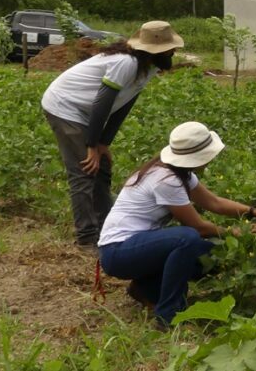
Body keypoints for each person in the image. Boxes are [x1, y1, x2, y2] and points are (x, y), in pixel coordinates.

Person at [97, 121, 256, 328]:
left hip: (136, 246)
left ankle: (147, 289)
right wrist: (235, 233)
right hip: (117, 251)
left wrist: (255, 212)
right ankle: (169, 315)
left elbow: (215, 203)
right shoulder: (166, 179)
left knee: (212, 252)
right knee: (187, 239)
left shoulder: (180, 173)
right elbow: (198, 227)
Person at [42, 20, 184, 249]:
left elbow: (125, 103)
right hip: (65, 106)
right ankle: (87, 238)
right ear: (155, 50)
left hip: (85, 110)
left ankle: (107, 229)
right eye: (170, 49)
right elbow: (103, 102)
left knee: (103, 167)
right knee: (85, 170)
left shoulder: (148, 67)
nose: (174, 52)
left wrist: (104, 143)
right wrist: (91, 145)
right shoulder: (125, 62)